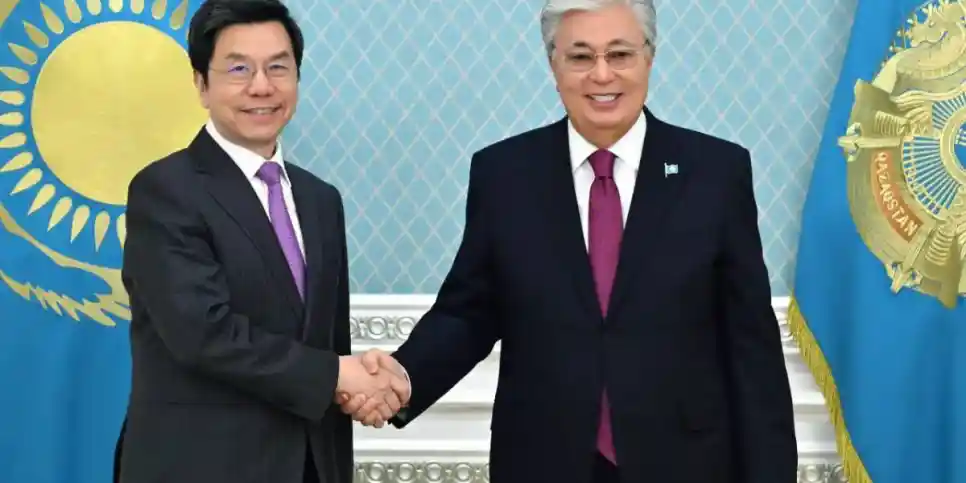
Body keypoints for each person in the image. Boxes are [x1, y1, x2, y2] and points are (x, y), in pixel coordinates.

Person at [339, 0, 798, 482]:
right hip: (542, 460)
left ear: (649, 57)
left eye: (620, 54)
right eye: (580, 56)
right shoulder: (504, 174)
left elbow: (752, 349)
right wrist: (402, 377)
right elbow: (469, 311)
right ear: (553, 65)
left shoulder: (715, 172)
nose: (602, 74)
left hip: (686, 462)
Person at [113, 1, 407, 482]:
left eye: (278, 67)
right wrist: (339, 375)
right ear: (201, 84)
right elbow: (203, 334)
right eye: (238, 69)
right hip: (199, 468)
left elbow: (325, 343)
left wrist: (356, 387)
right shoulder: (165, 190)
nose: (261, 86)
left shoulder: (320, 200)